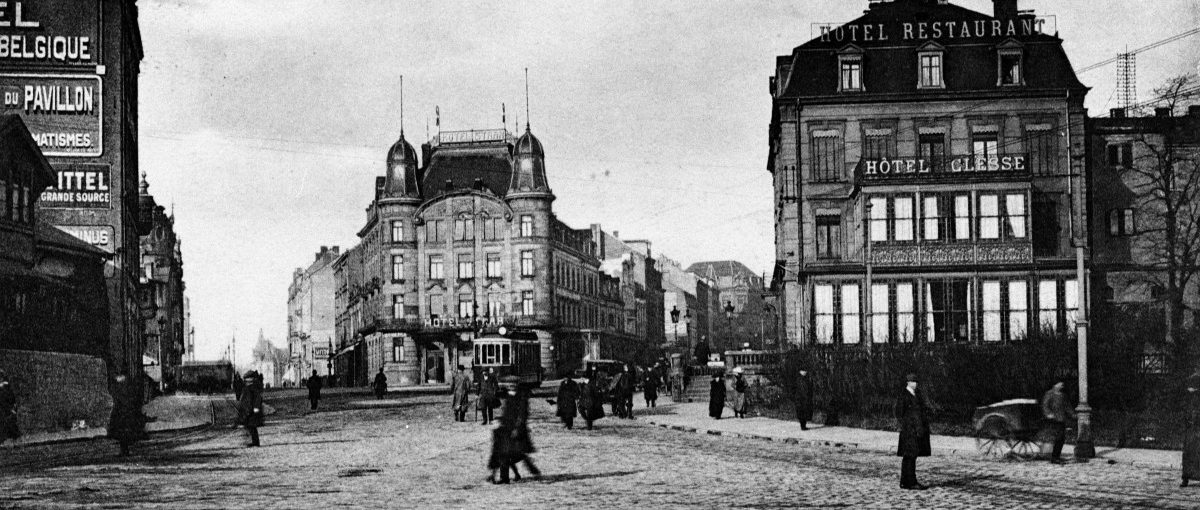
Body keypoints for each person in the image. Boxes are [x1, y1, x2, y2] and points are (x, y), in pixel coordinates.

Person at [488, 378, 541, 484]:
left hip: (516, 430)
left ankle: (527, 468)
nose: (510, 386)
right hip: (506, 428)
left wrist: (517, 429)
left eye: (513, 385)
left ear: (517, 385)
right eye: (509, 385)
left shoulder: (521, 397)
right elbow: (507, 413)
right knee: (504, 452)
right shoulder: (509, 396)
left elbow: (522, 415)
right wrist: (499, 421)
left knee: (511, 453)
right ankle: (505, 477)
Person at [895, 373, 931, 490]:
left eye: (916, 382)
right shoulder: (904, 395)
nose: (915, 384)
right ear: (908, 383)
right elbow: (899, 413)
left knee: (911, 456)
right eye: (913, 382)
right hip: (909, 431)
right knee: (910, 456)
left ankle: (905, 481)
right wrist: (908, 425)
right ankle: (910, 482)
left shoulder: (916, 395)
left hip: (916, 430)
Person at [108, 374, 146, 456]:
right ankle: (124, 449)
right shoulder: (128, 388)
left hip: (122, 412)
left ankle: (124, 450)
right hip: (125, 412)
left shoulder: (121, 389)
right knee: (124, 432)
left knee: (122, 432)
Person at [1041, 380, 1074, 464]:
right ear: (1055, 384)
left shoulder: (1063, 395)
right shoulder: (1050, 394)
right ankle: (1054, 457)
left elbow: (1067, 407)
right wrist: (1048, 414)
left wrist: (1073, 415)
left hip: (1061, 419)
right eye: (1060, 384)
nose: (1061, 386)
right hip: (1053, 420)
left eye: (1062, 384)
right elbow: (1045, 405)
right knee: (1059, 437)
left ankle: (1057, 456)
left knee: (1061, 439)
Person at [237, 370, 264, 447]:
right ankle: (254, 442)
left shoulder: (252, 388)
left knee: (252, 427)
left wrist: (256, 407)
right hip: (249, 410)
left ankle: (255, 442)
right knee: (251, 427)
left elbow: (257, 398)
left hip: (251, 410)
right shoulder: (248, 388)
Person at [1183, 372, 1200, 487]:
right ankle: (1186, 477)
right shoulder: (1189, 399)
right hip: (1191, 428)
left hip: (1196, 427)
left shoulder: (1195, 398)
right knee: (1189, 452)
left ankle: (1187, 477)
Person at [0, 371, 21, 447]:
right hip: (7, 411)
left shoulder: (4, 388)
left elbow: (9, 400)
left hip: (6, 411)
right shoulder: (6, 387)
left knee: (7, 425)